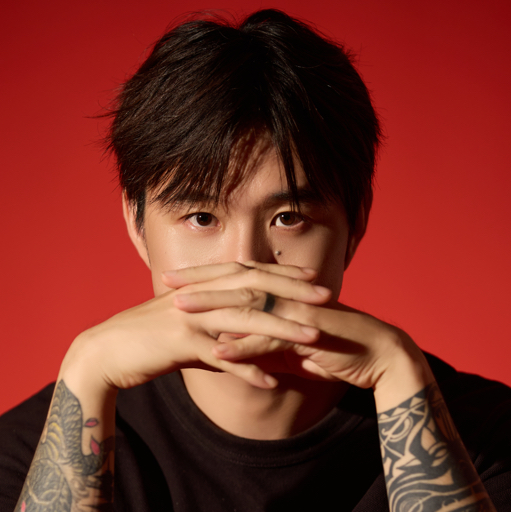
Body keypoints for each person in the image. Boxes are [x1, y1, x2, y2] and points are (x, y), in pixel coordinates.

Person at [1, 8, 510, 512]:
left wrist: (397, 368)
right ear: (137, 225)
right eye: (201, 218)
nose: (245, 265)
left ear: (355, 222)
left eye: (288, 218)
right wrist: (87, 369)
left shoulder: (490, 436)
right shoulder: (26, 454)